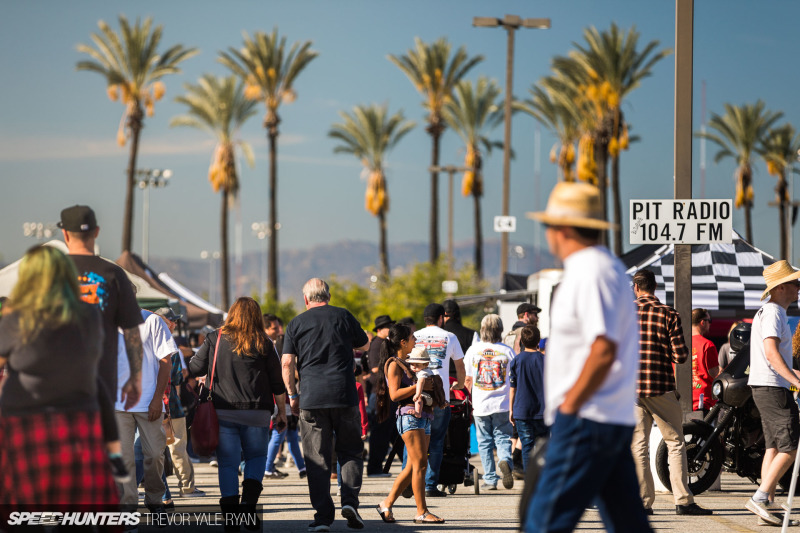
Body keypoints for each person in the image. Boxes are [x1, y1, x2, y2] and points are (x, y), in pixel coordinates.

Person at [523, 182, 652, 532]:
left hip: (585, 418)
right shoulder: (604, 268)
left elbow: (603, 348)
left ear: (562, 228)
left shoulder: (588, 271)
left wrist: (569, 406)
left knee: (543, 521)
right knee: (628, 523)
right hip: (605, 417)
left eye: (548, 226)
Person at [0, 246, 118, 507]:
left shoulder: (15, 318)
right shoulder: (88, 315)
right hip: (79, 420)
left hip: (23, 421)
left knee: (24, 513)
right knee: (76, 514)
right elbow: (92, 366)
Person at [60, 204, 144, 480]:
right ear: (96, 232)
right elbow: (133, 333)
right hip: (100, 386)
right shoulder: (114, 274)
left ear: (65, 234)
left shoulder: (48, 275)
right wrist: (136, 378)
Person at [189, 297, 287, 532]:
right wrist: (282, 412)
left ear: (231, 313)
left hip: (223, 412)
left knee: (228, 464)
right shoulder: (264, 342)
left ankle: (231, 518)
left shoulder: (216, 337)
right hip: (257, 412)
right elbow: (277, 382)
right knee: (256, 458)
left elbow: (195, 368)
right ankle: (249, 508)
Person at [281, 278, 370, 532]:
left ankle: (322, 517)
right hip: (344, 395)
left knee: (316, 458)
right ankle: (350, 502)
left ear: (306, 299)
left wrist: (292, 396)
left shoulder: (296, 323)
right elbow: (364, 343)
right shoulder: (343, 316)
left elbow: (287, 363)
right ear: (328, 296)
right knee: (351, 451)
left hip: (311, 398)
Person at [630, 269, 711, 516]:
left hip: (631, 389)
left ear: (635, 288)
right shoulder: (668, 314)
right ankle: (683, 500)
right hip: (661, 387)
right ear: (655, 288)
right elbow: (681, 356)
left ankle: (643, 503)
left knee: (638, 446)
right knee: (675, 442)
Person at [745, 260, 800, 526]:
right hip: (773, 386)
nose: (799, 287)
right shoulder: (775, 312)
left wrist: (794, 375)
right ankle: (759, 497)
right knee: (790, 447)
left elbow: (772, 356)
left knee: (774, 446)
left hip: (765, 384)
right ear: (780, 287)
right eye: (795, 282)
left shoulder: (768, 311)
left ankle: (763, 503)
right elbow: (770, 352)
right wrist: (794, 380)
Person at [375, 326, 445, 524]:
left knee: (413, 466)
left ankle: (386, 504)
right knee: (420, 464)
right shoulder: (394, 364)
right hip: (409, 416)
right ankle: (421, 511)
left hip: (423, 416)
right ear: (403, 342)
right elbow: (394, 394)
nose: (416, 340)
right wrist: (418, 387)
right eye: (412, 337)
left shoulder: (409, 362)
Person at [115, 308, 175, 515]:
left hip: (149, 402)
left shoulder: (152, 321)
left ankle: (154, 498)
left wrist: (158, 398)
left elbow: (166, 362)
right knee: (124, 459)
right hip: (117, 405)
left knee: (154, 454)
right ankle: (127, 506)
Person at [412, 302, 465, 498]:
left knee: (413, 439)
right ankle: (429, 485)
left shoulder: (415, 336)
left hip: (417, 395)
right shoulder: (449, 337)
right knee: (436, 442)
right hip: (440, 397)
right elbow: (460, 366)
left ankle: (409, 480)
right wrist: (459, 385)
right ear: (441, 318)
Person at [154, 307, 206, 498]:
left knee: (152, 450)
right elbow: (176, 377)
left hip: (146, 404)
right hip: (170, 405)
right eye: (171, 321)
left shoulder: (144, 340)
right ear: (161, 321)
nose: (174, 324)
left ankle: (156, 490)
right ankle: (187, 487)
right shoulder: (169, 344)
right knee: (177, 447)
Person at [464, 314, 516, 491]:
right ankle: (505, 461)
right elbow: (514, 380)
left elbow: (468, 379)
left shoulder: (473, 350)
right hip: (502, 403)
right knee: (503, 438)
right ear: (500, 329)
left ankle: (490, 479)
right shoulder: (508, 351)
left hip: (481, 403)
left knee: (484, 442)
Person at [508, 325, 547, 472]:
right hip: (543, 410)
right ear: (538, 340)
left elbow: (513, 389)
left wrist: (511, 409)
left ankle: (529, 478)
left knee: (527, 445)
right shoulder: (545, 360)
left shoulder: (517, 361)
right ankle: (542, 478)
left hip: (522, 410)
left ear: (521, 342)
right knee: (544, 446)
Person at [366, 315, 396, 477]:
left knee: (391, 432)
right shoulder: (377, 345)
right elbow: (376, 370)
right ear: (379, 330)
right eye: (387, 327)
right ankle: (374, 468)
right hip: (379, 393)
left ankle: (409, 465)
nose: (390, 329)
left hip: (383, 393)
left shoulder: (384, 344)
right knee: (380, 432)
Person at [691, 308, 719, 412]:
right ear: (702, 322)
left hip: (682, 399)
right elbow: (714, 373)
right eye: (709, 321)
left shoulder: (681, 345)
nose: (710, 324)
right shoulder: (707, 345)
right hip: (703, 401)